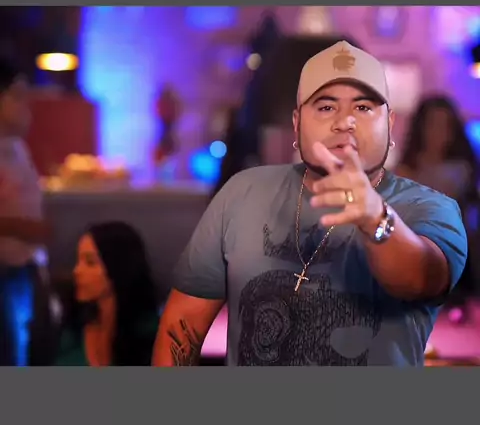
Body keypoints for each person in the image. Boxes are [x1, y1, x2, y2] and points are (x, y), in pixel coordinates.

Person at [152, 41, 468, 367]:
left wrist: (376, 218)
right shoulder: (242, 193)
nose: (345, 122)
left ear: (388, 124)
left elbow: (421, 278)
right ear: (297, 122)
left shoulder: (429, 207)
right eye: (326, 107)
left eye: (363, 108)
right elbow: (181, 328)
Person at [396, 95, 479, 321]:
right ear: (421, 128)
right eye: (432, 124)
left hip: (452, 267)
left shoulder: (461, 170)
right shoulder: (403, 172)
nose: (439, 133)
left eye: (445, 125)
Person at [0, 56, 53, 365]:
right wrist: (23, 228)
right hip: (4, 271)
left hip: (25, 267)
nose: (27, 106)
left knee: (30, 351)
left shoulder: (17, 147)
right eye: (17, 96)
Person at [56, 221, 159, 366]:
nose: (77, 271)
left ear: (118, 267)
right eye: (78, 261)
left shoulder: (152, 335)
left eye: (90, 262)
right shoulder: (70, 332)